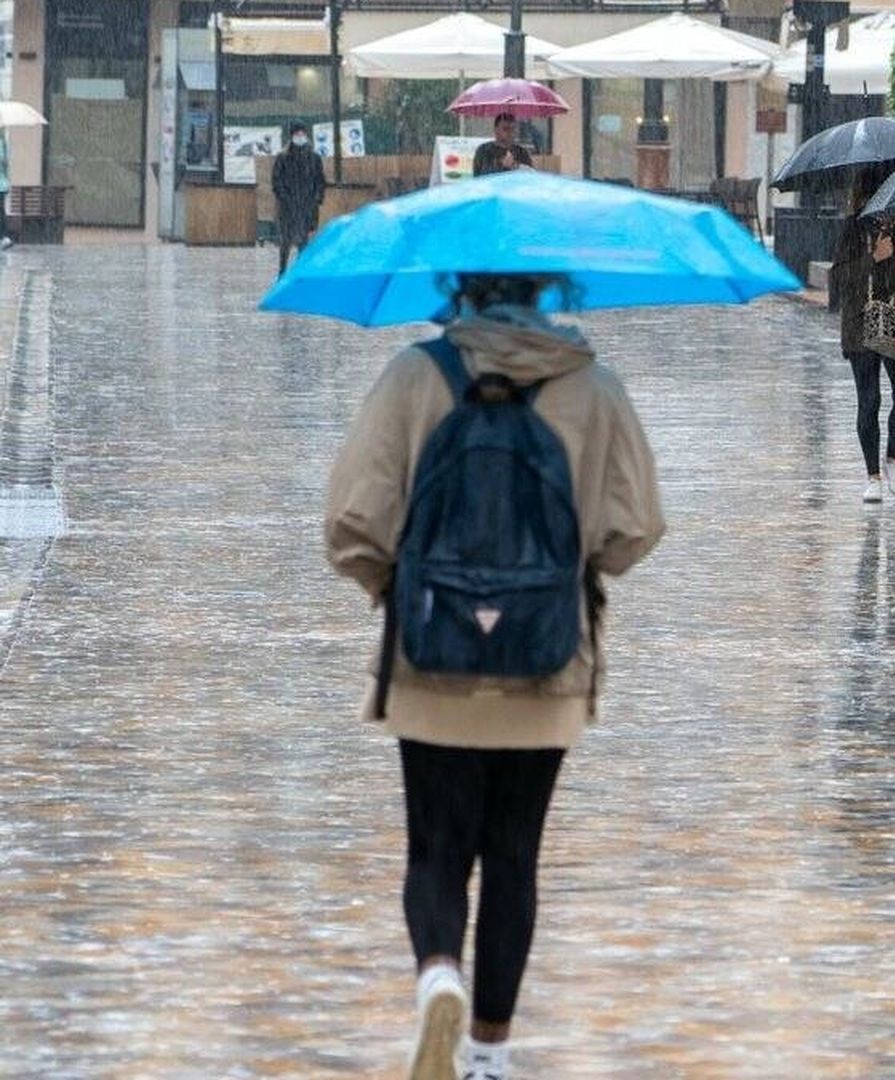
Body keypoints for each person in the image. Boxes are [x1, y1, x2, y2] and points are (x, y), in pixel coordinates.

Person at [324, 273, 664, 1080]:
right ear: (548, 287)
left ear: (457, 287)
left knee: (435, 851)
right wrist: (571, 568)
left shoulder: (415, 376)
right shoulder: (594, 387)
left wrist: (395, 589)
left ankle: (438, 971)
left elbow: (351, 522)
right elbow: (635, 528)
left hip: (430, 659)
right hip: (545, 662)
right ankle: (486, 1053)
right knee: (514, 856)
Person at [830, 173, 895, 502]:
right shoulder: (854, 228)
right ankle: (872, 475)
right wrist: (873, 258)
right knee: (869, 400)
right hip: (860, 324)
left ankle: (893, 459)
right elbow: (839, 281)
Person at [271, 122, 327, 275]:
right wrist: (285, 199)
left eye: (302, 133)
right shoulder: (283, 158)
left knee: (304, 241)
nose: (300, 137)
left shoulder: (314, 158)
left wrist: (316, 200)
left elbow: (320, 181)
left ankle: (300, 273)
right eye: (297, 134)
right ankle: (282, 272)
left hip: (307, 206)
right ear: (292, 136)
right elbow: (276, 182)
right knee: (286, 242)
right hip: (287, 207)